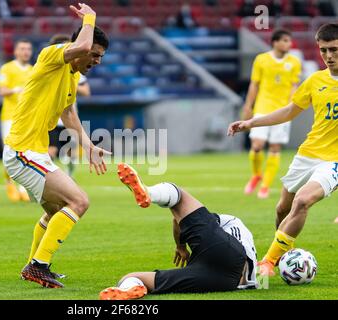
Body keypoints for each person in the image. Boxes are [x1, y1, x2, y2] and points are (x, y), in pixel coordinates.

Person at [2, 3, 110, 288]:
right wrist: (90, 17)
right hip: (23, 150)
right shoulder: (51, 56)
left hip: (31, 151)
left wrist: (87, 144)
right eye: (95, 55)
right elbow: (84, 41)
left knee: (54, 213)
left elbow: (68, 112)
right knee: (79, 201)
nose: (97, 61)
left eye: (100, 57)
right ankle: (39, 266)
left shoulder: (72, 77)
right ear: (79, 47)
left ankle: (33, 265)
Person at [228, 23, 338, 276]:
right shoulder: (316, 80)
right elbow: (289, 111)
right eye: (324, 51)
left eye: (334, 50)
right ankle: (287, 253)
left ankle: (268, 261)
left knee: (303, 201)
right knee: (282, 209)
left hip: (334, 161)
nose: (329, 56)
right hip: (308, 153)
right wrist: (252, 121)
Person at [99, 163, 257, 300]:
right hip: (228, 281)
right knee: (133, 277)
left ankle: (149, 192)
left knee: (179, 198)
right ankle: (126, 289)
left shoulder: (226, 221)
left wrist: (180, 247)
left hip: (223, 263)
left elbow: (178, 220)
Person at [241, 29, 302, 199]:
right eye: (284, 40)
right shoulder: (262, 59)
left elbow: (294, 85)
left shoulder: (294, 62)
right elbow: (254, 84)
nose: (288, 44)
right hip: (262, 108)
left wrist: (292, 105)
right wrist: (248, 105)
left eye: (289, 40)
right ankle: (256, 175)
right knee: (257, 145)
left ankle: (265, 185)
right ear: (275, 42)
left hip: (282, 111)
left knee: (275, 148)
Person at [47, 34, 91, 178]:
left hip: (70, 117)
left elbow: (86, 92)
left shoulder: (76, 71)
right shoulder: (49, 68)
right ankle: (47, 179)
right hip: (51, 118)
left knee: (72, 151)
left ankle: (69, 177)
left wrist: (71, 84)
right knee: (51, 151)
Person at [0, 39, 34, 202]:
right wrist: (15, 90)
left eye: (28, 49)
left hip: (27, 117)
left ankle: (22, 187)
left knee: (26, 153)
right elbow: (2, 90)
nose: (25, 51)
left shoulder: (34, 70)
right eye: (22, 48)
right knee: (10, 151)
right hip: (10, 116)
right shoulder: (7, 68)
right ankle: (9, 183)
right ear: (16, 52)